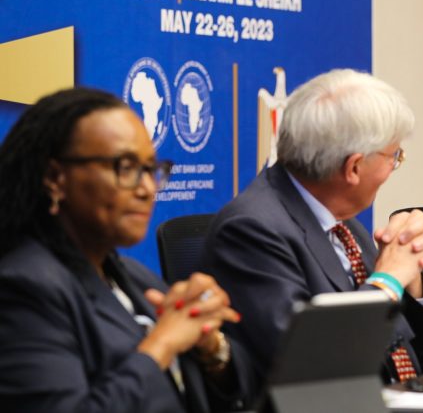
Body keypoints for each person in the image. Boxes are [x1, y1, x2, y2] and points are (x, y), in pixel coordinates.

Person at [0, 88, 255, 412]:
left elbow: (228, 396)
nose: (147, 189)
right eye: (125, 167)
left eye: (150, 169)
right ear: (55, 178)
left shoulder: (135, 277)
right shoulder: (22, 288)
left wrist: (210, 347)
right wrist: (162, 344)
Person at [200, 69, 423, 387]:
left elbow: (421, 355)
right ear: (354, 167)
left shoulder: (343, 221)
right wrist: (388, 280)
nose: (393, 168)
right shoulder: (250, 230)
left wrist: (411, 277)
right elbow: (308, 365)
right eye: (394, 156)